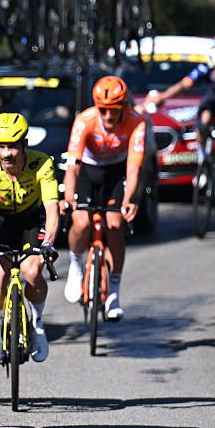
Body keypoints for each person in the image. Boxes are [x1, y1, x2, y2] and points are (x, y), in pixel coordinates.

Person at [0, 113, 60, 364]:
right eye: (1, 146)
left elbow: (52, 208)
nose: (7, 153)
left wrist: (49, 242)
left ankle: (38, 327)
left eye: (12, 146)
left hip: (31, 220)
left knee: (32, 271)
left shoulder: (42, 164)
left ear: (25, 144)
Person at [62, 76, 146, 320]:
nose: (109, 116)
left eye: (115, 110)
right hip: (88, 171)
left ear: (124, 107)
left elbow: (133, 169)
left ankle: (114, 294)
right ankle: (77, 267)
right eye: (104, 110)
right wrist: (69, 198)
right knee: (81, 222)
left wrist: (129, 200)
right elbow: (73, 167)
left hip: (116, 173)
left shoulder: (136, 122)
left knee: (115, 225)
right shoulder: (85, 120)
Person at [146, 40, 215, 227]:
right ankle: (203, 160)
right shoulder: (205, 68)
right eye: (214, 70)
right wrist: (163, 96)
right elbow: (184, 85)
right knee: (203, 121)